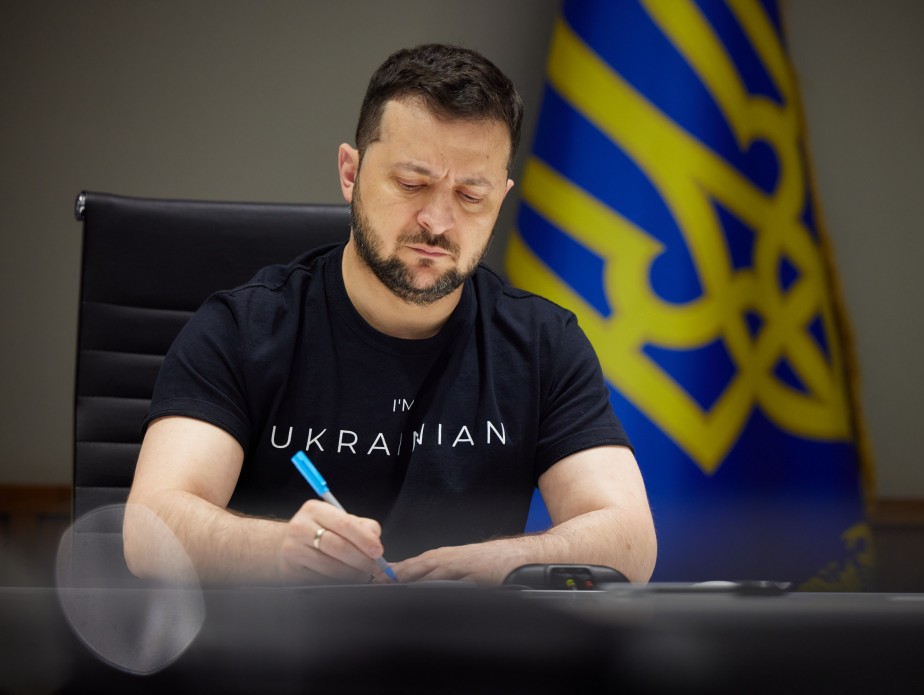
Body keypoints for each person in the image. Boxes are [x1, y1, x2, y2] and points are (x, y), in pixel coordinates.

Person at [123, 43, 656, 586]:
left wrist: (503, 564)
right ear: (350, 172)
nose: (437, 221)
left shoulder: (543, 343)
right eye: (411, 184)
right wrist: (279, 550)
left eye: (471, 195)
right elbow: (148, 529)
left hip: (467, 637)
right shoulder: (242, 329)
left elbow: (631, 541)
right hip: (280, 637)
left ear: (501, 197)